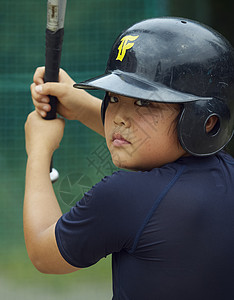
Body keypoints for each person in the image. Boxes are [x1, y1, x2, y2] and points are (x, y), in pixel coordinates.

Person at [24, 17, 234, 299]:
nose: (119, 118)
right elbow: (166, 142)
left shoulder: (125, 195)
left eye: (144, 102)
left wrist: (38, 150)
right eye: (113, 97)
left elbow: (42, 252)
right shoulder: (226, 176)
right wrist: (81, 106)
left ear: (205, 121)